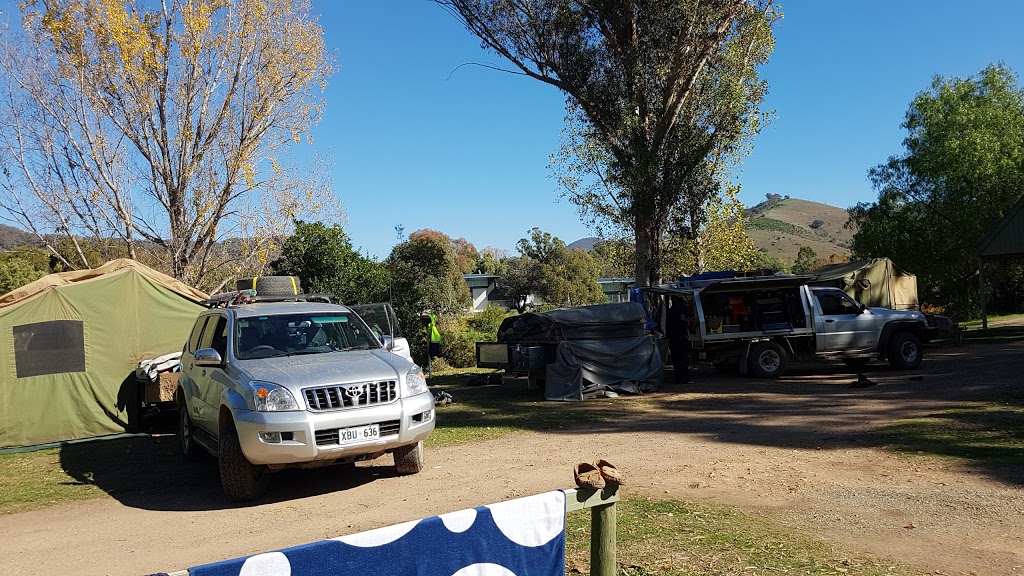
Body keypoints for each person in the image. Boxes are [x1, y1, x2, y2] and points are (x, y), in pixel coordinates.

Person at [666, 296, 692, 384]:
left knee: (675, 359)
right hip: (680, 336)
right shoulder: (681, 308)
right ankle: (684, 378)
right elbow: (683, 321)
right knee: (683, 359)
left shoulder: (670, 310)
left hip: (672, 338)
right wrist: (686, 333)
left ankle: (678, 378)